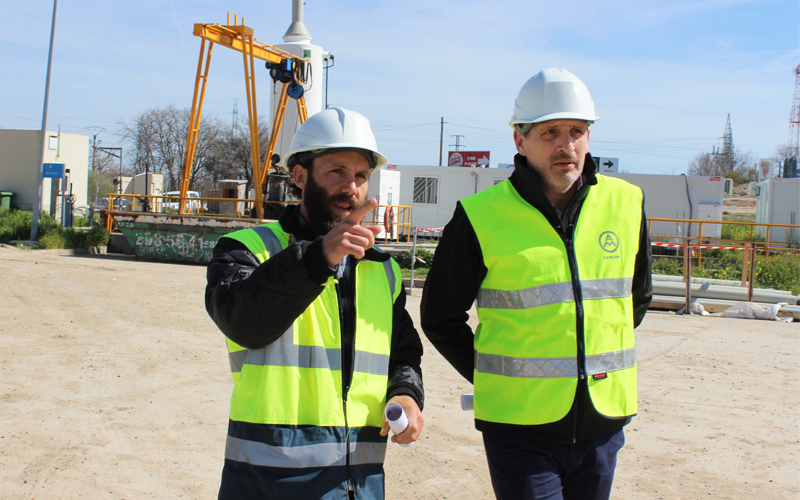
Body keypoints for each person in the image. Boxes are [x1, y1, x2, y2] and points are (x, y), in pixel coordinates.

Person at [420, 68, 652, 500]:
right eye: (550, 133)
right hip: (519, 430)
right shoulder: (479, 216)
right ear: (520, 140)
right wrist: (496, 378)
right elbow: (439, 317)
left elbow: (635, 299)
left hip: (603, 424)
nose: (566, 145)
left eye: (577, 131)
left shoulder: (626, 203)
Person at [206, 107, 425, 500]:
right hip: (268, 483)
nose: (351, 187)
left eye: (361, 176)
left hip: (360, 483)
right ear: (300, 176)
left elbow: (402, 353)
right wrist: (318, 258)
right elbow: (243, 322)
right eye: (336, 171)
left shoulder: (383, 270)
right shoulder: (246, 249)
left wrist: (405, 393)